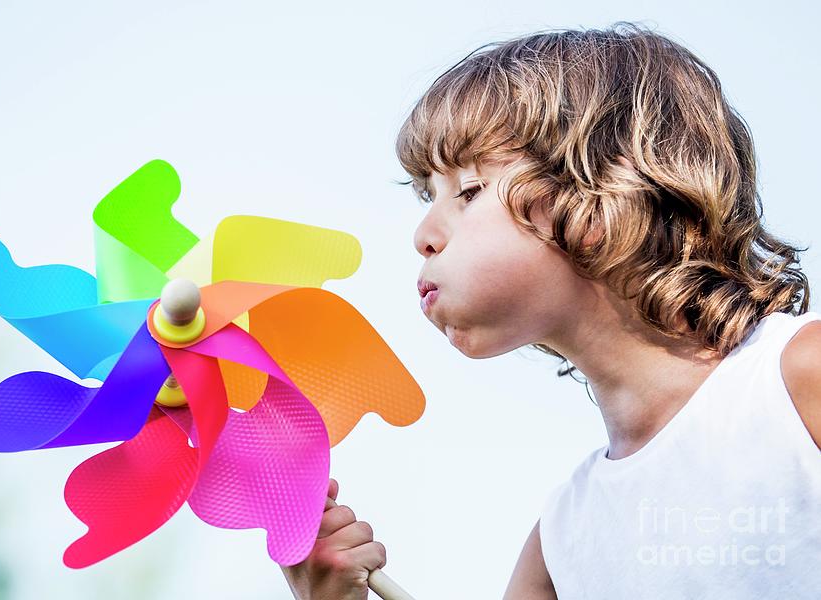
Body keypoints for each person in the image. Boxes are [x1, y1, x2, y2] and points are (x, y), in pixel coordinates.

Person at [281, 21, 821, 599]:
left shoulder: (797, 382)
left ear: (602, 196)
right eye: (426, 197)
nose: (424, 235)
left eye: (468, 191)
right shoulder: (562, 542)